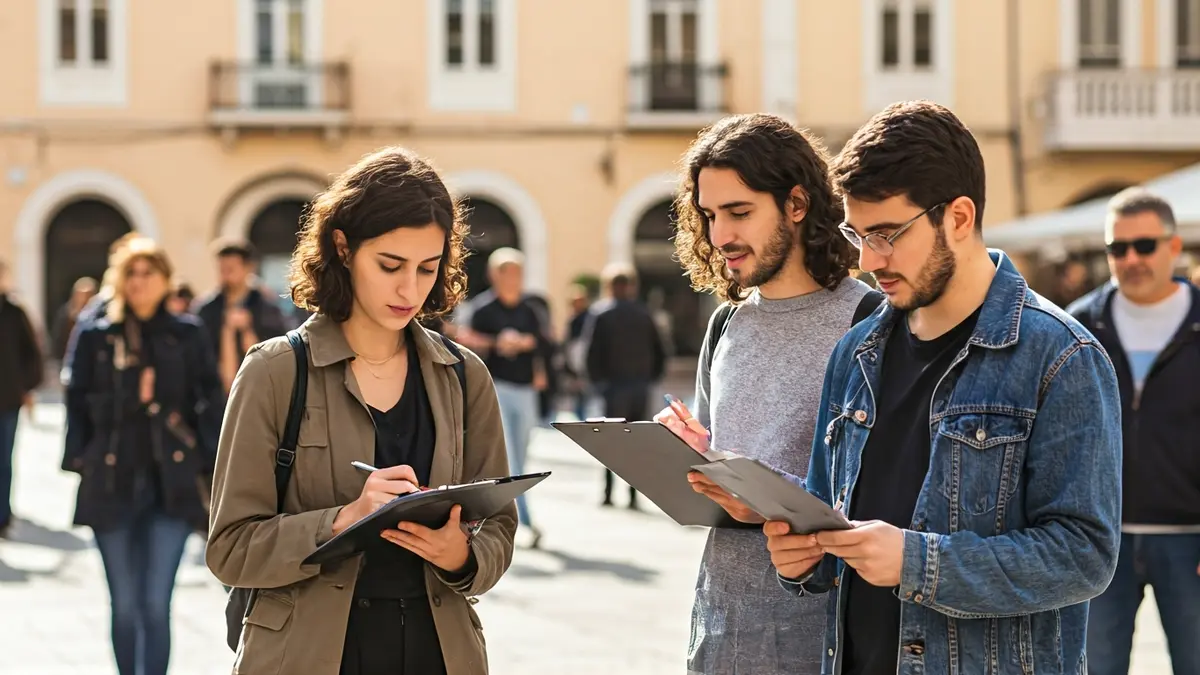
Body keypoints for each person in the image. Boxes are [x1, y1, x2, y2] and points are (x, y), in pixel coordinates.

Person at [764, 101, 1123, 675]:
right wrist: (800, 563)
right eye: (857, 234)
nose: (867, 259)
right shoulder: (853, 354)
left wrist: (918, 561)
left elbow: (1085, 557)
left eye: (886, 234)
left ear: (958, 217)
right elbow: (829, 523)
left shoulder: (1061, 356)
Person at [205, 146, 516, 675]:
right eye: (390, 265)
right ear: (343, 249)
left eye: (427, 267)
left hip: (438, 652)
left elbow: (499, 527)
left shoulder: (465, 376)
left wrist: (462, 557)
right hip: (307, 654)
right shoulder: (275, 371)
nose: (409, 288)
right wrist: (342, 521)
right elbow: (230, 549)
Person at [652, 113, 874, 674]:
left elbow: (885, 501)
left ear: (797, 205)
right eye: (709, 215)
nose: (720, 235)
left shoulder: (870, 322)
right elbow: (722, 484)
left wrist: (766, 498)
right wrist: (689, 457)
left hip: (824, 639)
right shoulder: (725, 325)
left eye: (739, 212)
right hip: (720, 629)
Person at [61, 238, 223, 675]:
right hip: (110, 482)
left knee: (155, 603)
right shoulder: (98, 336)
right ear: (119, 279)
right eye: (131, 273)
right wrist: (81, 455)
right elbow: (75, 397)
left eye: (148, 273)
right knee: (126, 605)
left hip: (170, 486)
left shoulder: (187, 333)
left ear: (166, 280)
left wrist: (210, 463)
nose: (139, 282)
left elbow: (210, 399)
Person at [1067, 188, 1200, 675]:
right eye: (1117, 249)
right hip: (1101, 541)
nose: (1130, 259)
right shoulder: (1078, 325)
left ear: (1173, 246)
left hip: (1191, 539)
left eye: (1143, 246)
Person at [451, 248, 551, 548]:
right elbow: (465, 339)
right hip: (496, 389)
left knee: (521, 454)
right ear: (496, 275)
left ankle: (506, 517)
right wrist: (498, 342)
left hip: (525, 391)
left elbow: (542, 341)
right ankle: (523, 521)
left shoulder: (529, 309)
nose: (515, 279)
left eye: (519, 273)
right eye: (509, 273)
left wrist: (526, 346)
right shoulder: (483, 308)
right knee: (510, 459)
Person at [584, 264, 666, 509]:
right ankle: (632, 495)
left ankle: (609, 493)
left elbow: (591, 353)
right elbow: (661, 351)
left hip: (613, 387)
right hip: (638, 386)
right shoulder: (644, 314)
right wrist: (650, 378)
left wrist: (597, 383)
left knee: (611, 441)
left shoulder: (601, 313)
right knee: (635, 441)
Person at [192, 238, 289, 395]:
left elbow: (277, 353)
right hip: (215, 396)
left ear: (248, 268)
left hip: (261, 391)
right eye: (222, 270)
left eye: (230, 269)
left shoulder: (267, 308)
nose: (225, 276)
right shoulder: (206, 309)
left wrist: (247, 330)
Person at [0, 259, 45, 538]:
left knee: (4, 459)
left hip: (7, 400)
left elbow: (32, 355)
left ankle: (2, 516)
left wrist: (25, 387)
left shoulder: (15, 314)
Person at [50, 276, 98, 361]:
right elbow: (58, 345)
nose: (84, 299)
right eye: (81, 295)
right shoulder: (65, 317)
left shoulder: (100, 319)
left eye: (88, 296)